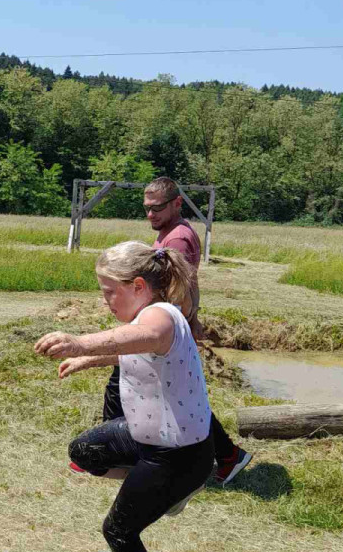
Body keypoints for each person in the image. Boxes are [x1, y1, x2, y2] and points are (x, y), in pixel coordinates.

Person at [35, 242, 215, 552]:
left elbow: (148, 338)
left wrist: (80, 341)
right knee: (84, 452)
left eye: (108, 292)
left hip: (177, 455)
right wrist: (89, 359)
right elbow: (135, 346)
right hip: (147, 438)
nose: (105, 302)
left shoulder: (162, 316)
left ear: (137, 286)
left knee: (119, 531)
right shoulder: (146, 321)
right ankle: (162, 491)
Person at [102, 176, 251, 486]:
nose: (150, 215)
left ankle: (112, 453)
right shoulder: (169, 235)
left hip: (164, 334)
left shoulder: (177, 239)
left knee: (126, 387)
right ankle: (227, 455)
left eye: (157, 208)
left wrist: (163, 328)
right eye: (146, 208)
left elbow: (178, 292)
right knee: (178, 398)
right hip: (165, 329)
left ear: (177, 203)